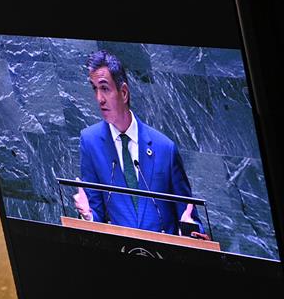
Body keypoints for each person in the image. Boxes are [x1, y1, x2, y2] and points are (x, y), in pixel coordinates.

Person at [73, 51, 208, 238]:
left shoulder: (164, 148)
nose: (99, 99)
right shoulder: (90, 142)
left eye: (104, 88)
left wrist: (190, 229)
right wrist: (87, 215)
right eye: (94, 88)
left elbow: (190, 218)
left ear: (124, 92)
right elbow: (97, 215)